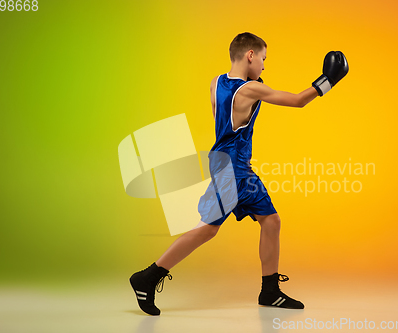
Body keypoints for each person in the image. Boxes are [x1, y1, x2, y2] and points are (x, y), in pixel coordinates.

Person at [130, 32, 349, 316]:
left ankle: (269, 291)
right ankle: (147, 278)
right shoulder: (248, 90)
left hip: (229, 164)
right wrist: (329, 81)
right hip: (233, 170)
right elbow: (297, 101)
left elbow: (222, 122)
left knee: (270, 221)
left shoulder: (216, 82)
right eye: (263, 58)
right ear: (250, 55)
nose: (264, 65)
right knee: (207, 228)